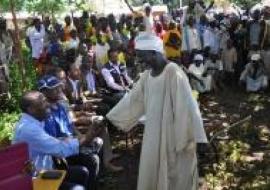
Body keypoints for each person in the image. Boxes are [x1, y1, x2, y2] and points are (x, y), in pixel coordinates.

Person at [106, 33, 207, 190]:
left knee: (176, 174)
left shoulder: (173, 72)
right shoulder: (147, 76)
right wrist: (109, 118)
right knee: (154, 172)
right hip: (153, 134)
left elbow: (189, 106)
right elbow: (133, 100)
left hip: (174, 134)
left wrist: (199, 138)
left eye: (142, 56)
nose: (139, 60)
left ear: (153, 52)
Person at [13, 91, 103, 190]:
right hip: (36, 180)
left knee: (82, 172)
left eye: (45, 101)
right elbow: (60, 149)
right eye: (42, 103)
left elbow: (55, 142)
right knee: (77, 188)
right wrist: (87, 137)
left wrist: (83, 137)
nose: (47, 104)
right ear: (31, 109)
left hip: (46, 171)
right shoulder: (29, 129)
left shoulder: (35, 121)